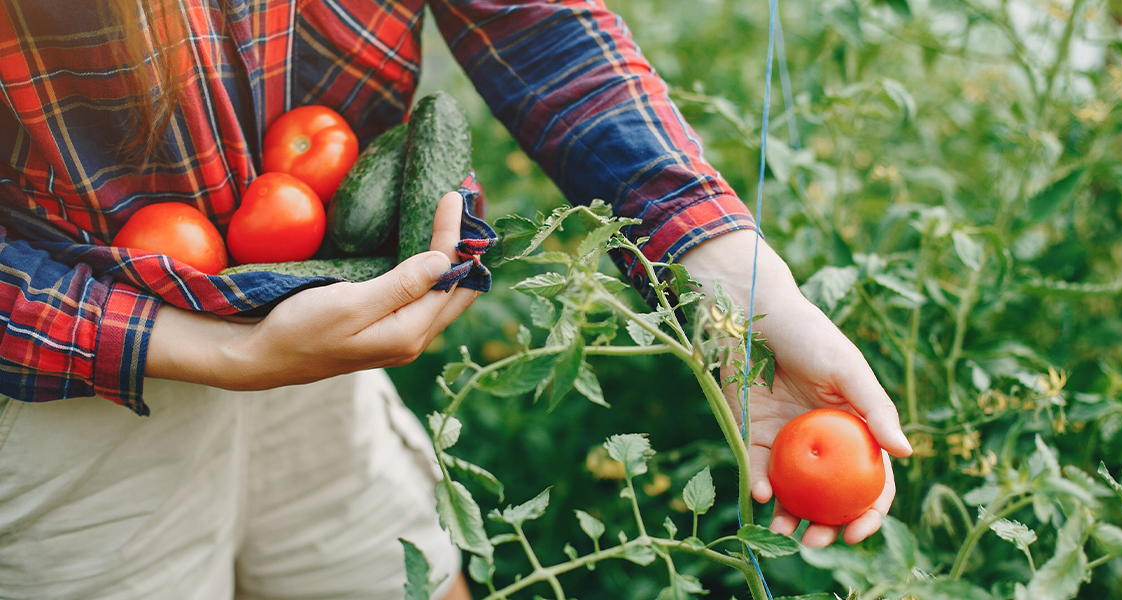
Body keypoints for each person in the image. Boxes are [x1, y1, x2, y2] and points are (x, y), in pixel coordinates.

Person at [0, 1, 913, 599]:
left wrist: (726, 267)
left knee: (407, 577)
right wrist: (222, 354)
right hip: (63, 372)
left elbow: (532, 22)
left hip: (315, 315)